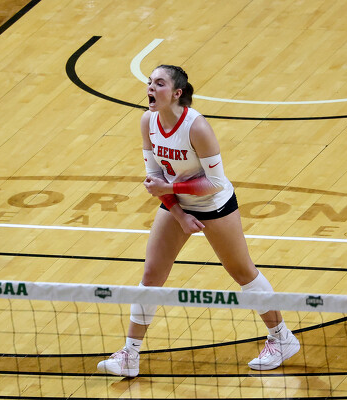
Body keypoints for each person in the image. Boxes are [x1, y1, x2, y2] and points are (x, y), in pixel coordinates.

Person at [97, 65, 299, 377]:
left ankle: (281, 338)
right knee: (151, 275)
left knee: (242, 272)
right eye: (149, 82)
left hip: (214, 204)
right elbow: (155, 177)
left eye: (159, 83)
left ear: (176, 93)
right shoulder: (148, 121)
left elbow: (215, 182)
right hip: (176, 203)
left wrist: (171, 190)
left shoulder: (197, 127)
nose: (150, 88)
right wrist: (179, 214)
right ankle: (130, 355)